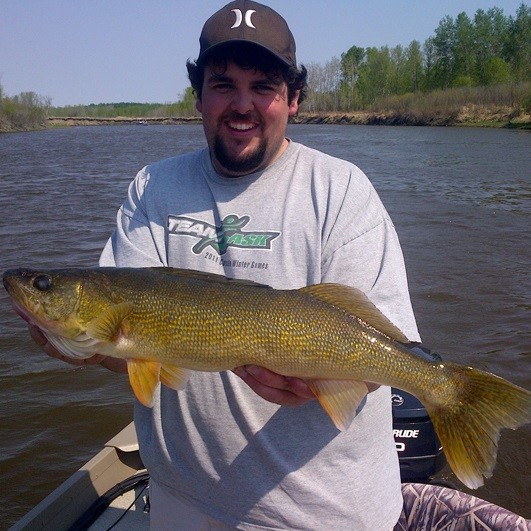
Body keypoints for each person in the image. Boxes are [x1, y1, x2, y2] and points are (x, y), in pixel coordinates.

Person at [30, 1, 421, 528]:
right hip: (183, 505)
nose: (242, 105)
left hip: (327, 514)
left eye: (263, 87)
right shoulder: (153, 187)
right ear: (198, 97)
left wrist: (332, 379)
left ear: (294, 99)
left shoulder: (342, 191)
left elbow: (380, 349)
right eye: (222, 84)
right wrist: (82, 347)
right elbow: (130, 351)